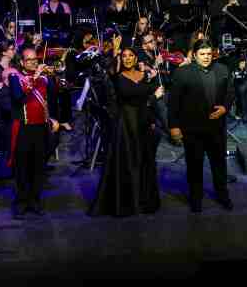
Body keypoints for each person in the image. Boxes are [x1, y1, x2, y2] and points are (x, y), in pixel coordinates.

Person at [88, 46, 164, 216]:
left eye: (131, 55)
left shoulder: (144, 76)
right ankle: (129, 204)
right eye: (125, 56)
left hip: (143, 123)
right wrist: (153, 97)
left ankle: (144, 201)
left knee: (144, 162)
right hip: (126, 126)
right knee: (129, 163)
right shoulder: (117, 78)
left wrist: (152, 118)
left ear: (136, 58)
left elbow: (146, 100)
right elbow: (132, 95)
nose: (128, 58)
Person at [167, 41, 235, 212]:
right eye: (202, 54)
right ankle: (195, 199)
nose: (206, 57)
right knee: (194, 166)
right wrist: (174, 126)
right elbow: (174, 102)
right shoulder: (183, 73)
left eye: (209, 54)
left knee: (219, 165)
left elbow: (230, 92)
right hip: (193, 129)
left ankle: (223, 196)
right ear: (195, 55)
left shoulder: (222, 70)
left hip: (216, 128)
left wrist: (225, 107)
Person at [8, 48, 61, 217]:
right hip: (24, 128)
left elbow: (55, 94)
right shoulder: (15, 78)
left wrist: (53, 76)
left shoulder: (45, 79)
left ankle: (35, 201)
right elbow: (18, 97)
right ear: (22, 62)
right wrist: (35, 77)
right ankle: (22, 202)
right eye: (28, 60)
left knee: (39, 167)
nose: (33, 62)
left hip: (41, 128)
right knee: (22, 167)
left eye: (34, 59)